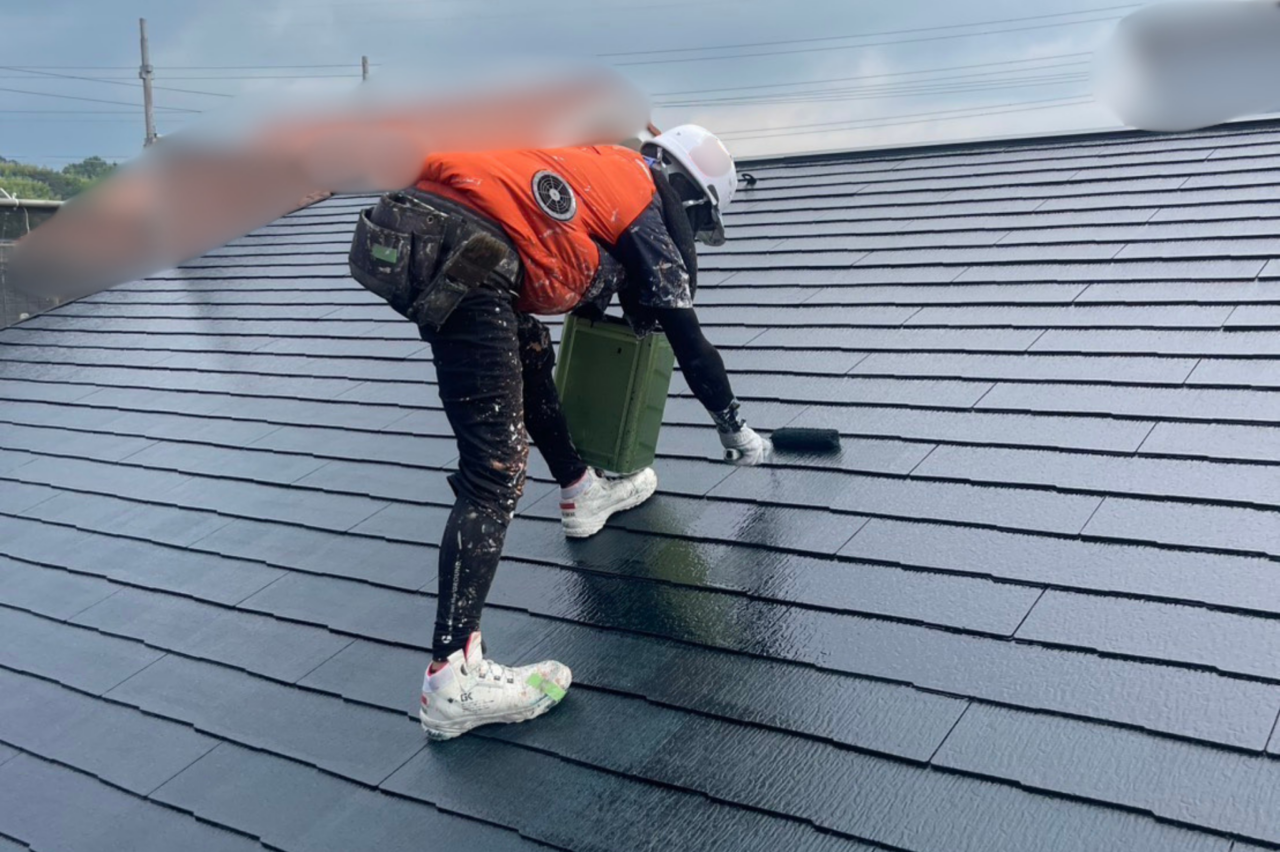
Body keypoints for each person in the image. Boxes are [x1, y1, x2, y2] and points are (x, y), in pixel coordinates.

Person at [348, 124, 772, 742]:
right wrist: (734, 427)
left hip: (413, 232)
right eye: (698, 220)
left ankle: (581, 488)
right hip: (468, 253)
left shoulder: (606, 170)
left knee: (528, 349)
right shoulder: (644, 204)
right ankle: (452, 678)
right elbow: (689, 339)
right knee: (494, 471)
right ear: (687, 194)